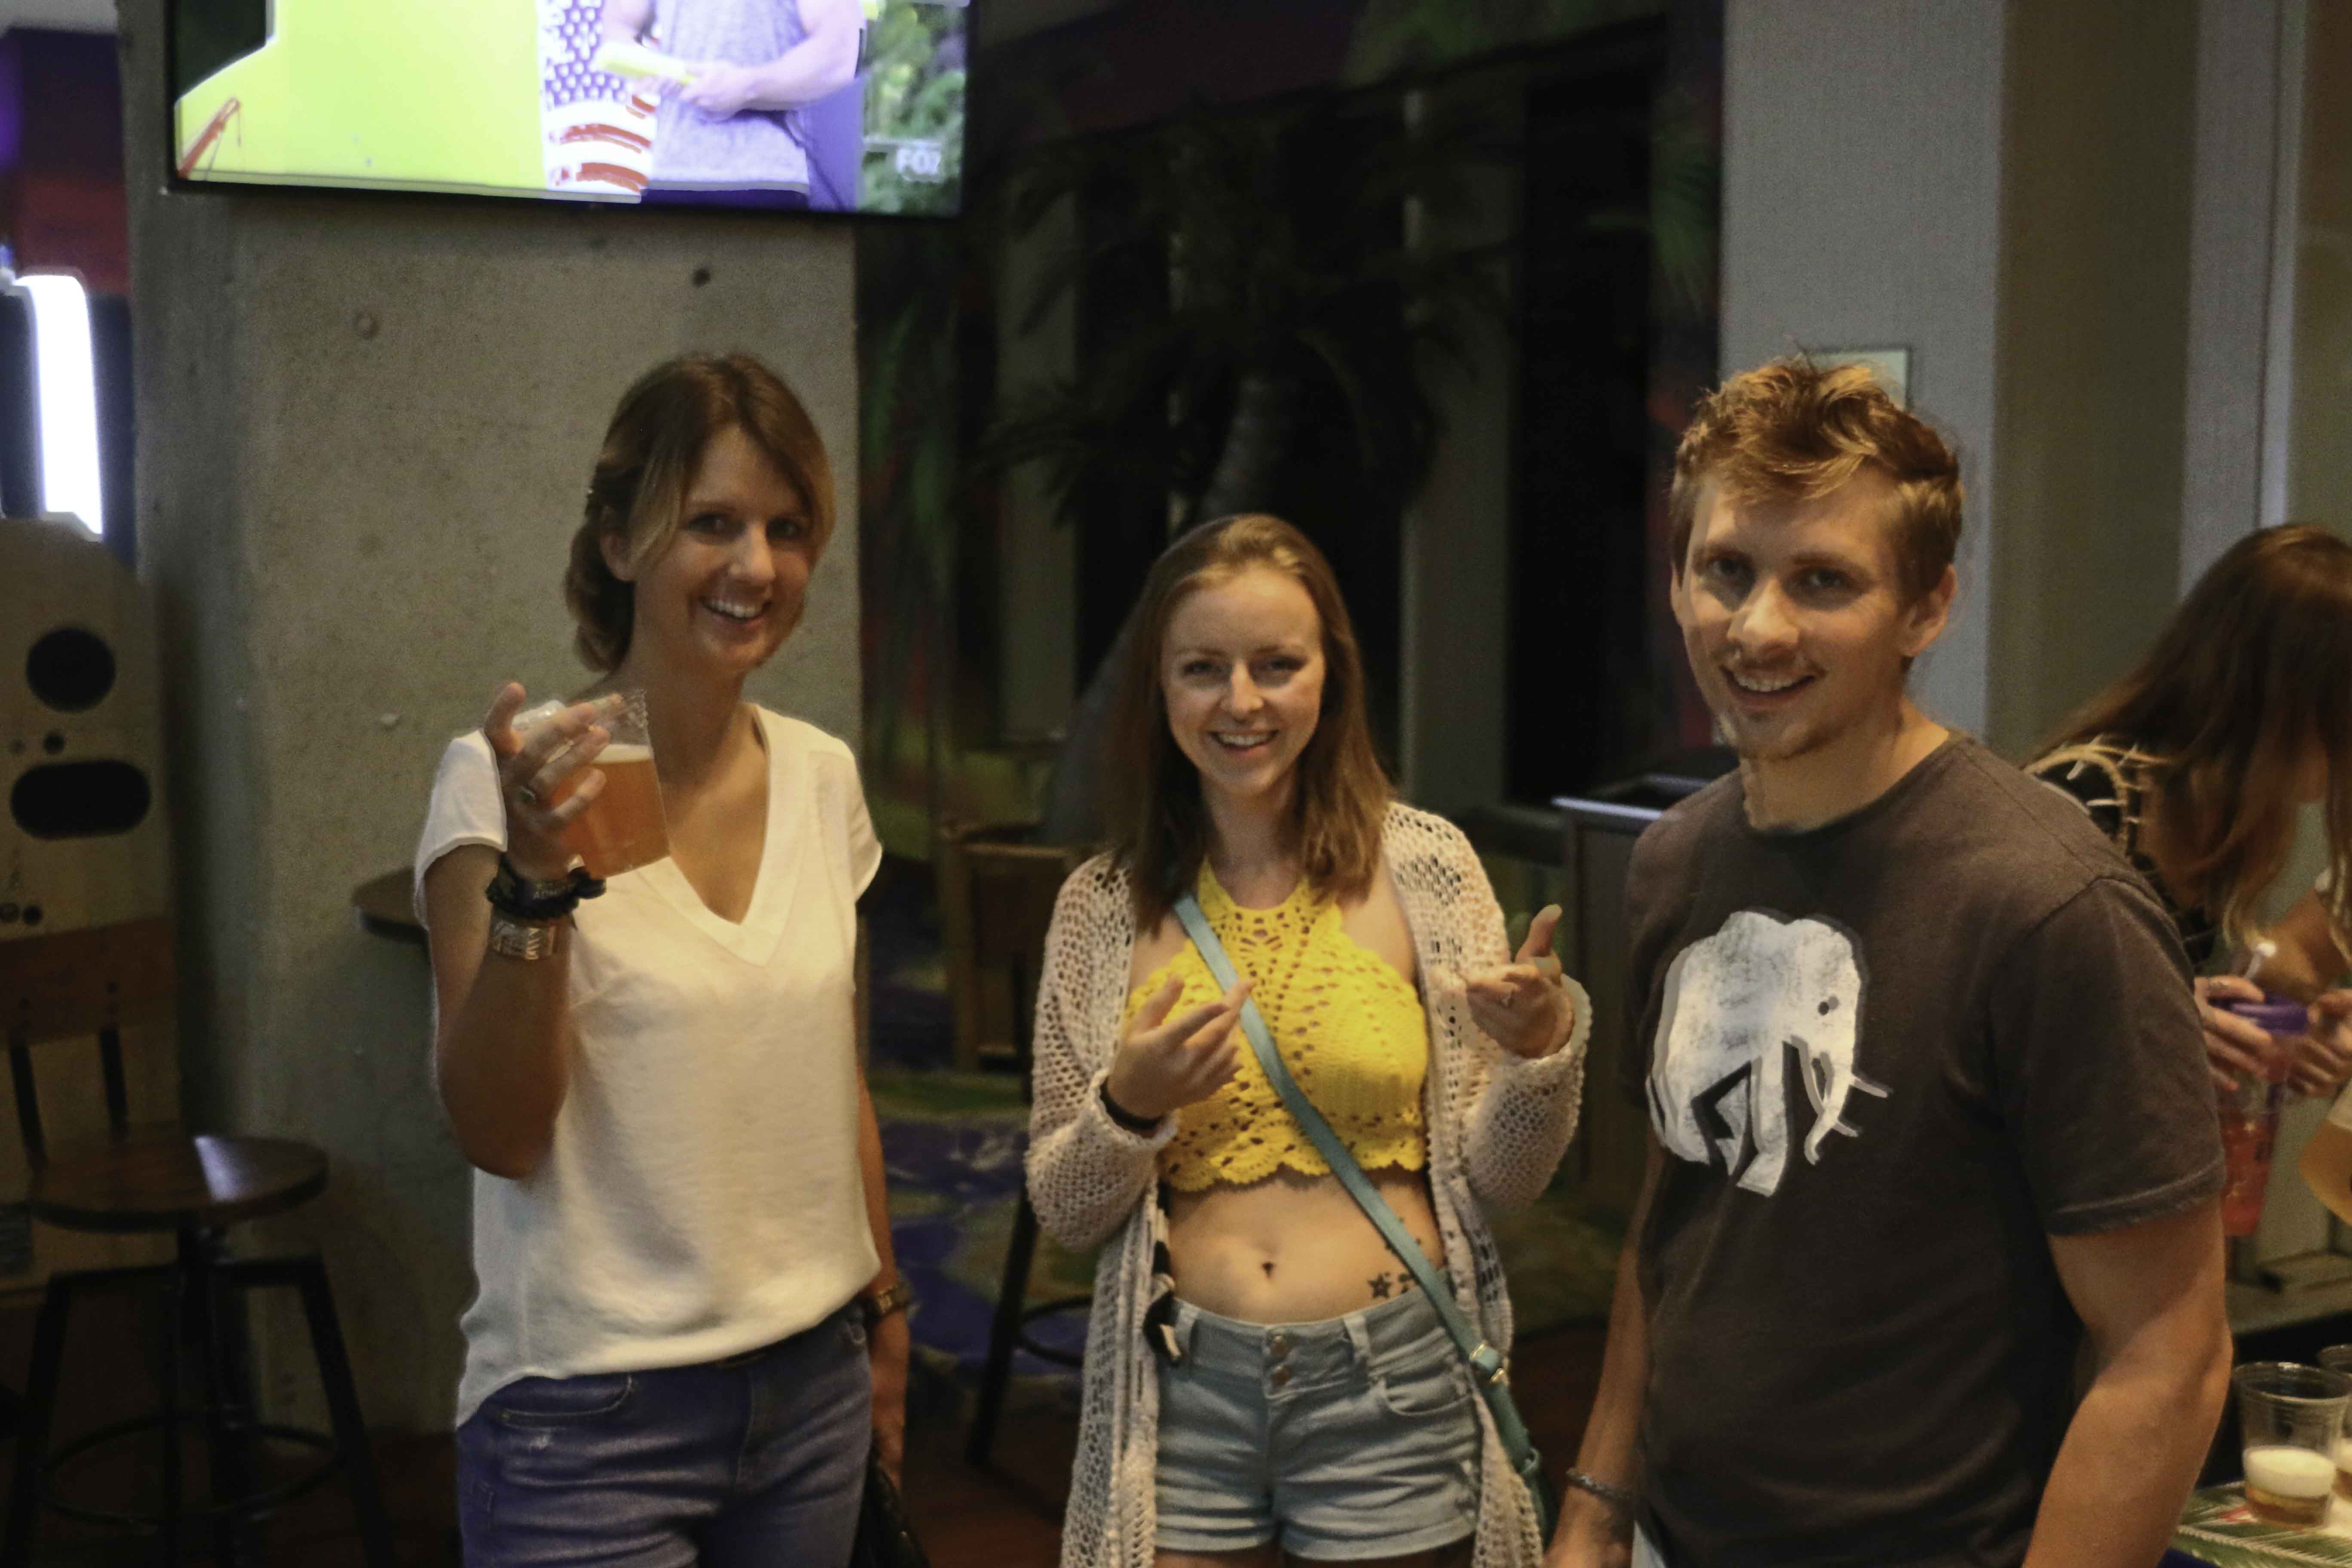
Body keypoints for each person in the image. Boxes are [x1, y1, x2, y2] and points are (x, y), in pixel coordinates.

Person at [1547, 359, 2232, 1568]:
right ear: (1677, 580)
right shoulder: (1674, 863)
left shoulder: (2043, 904)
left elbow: (2168, 1351)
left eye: (1823, 581)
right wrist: (1598, 1503)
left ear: (1925, 609)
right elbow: (1680, 1211)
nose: (1758, 628)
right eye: (1726, 570)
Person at [414, 352, 904, 1566]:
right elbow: (498, 1132)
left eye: (788, 530)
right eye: (711, 523)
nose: (756, 567)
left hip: (813, 1387)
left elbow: (832, 1082)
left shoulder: (823, 776)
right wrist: (537, 879)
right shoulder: (506, 778)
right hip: (589, 1417)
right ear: (619, 543)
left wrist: (884, 1309)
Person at [1027, 514, 1590, 1568]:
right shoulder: (1100, 906)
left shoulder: (1427, 868)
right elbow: (1065, 1210)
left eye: (1277, 665)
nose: (1241, 701)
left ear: (1330, 673)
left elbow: (1504, 1183)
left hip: (1392, 1387)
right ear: (1158, 686)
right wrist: (1126, 1106)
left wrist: (1537, 1052)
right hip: (1181, 1394)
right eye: (1203, 668)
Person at [2028, 527, 2352, 1104]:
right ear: (2286, 699)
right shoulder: (2087, 799)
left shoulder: (2227, 820)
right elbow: (2003, 1019)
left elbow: (2168, 1005)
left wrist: (2285, 1033)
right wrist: (2165, 1028)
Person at [600, 0, 864, 202]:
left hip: (765, 179)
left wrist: (748, 87)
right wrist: (652, 66)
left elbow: (842, 51)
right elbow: (618, 24)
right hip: (671, 175)